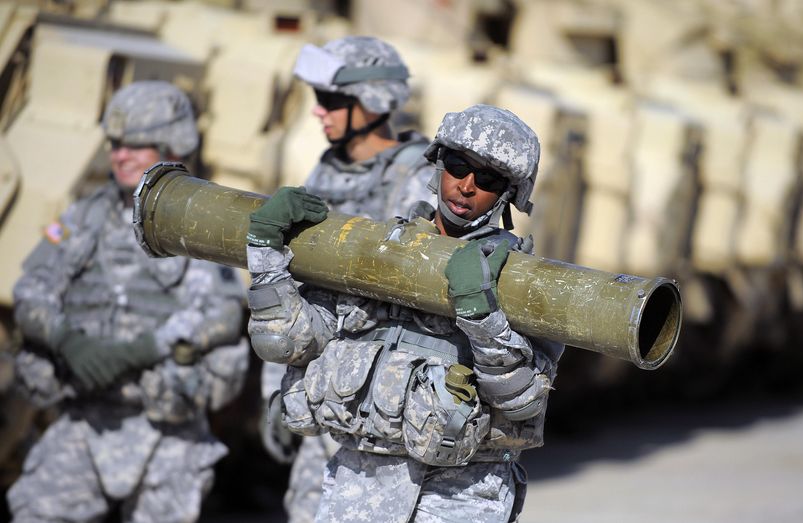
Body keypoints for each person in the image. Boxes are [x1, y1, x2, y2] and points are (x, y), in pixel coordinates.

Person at [246, 104, 563, 522]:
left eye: (487, 179)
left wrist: (482, 316)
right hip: (359, 487)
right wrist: (265, 254)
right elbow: (291, 340)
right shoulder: (380, 250)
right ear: (438, 165)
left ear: (508, 195)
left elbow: (523, 400)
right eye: (458, 166)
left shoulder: (524, 283)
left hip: (461, 494)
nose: (466, 186)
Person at [7, 81, 250, 523]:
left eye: (135, 145)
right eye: (115, 144)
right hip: (86, 417)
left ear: (170, 144)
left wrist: (139, 351)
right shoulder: (82, 218)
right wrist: (68, 340)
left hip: (167, 430)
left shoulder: (196, 226)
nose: (119, 155)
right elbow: (31, 291)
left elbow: (222, 314)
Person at [258, 35, 436, 523]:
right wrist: (275, 388)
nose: (319, 112)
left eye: (331, 100)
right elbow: (291, 290)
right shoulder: (326, 171)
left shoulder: (416, 178)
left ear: (373, 101)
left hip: (380, 405)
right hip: (322, 391)